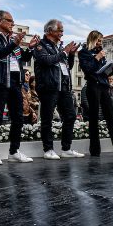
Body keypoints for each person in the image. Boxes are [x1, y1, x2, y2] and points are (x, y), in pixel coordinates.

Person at [0, 10, 39, 165]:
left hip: (14, 83)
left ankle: (14, 151)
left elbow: (22, 59)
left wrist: (30, 49)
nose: (13, 24)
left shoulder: (14, 40)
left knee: (18, 117)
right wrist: (13, 44)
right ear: (0, 21)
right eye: (10, 21)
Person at [31, 19, 83, 160]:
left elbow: (68, 67)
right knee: (47, 119)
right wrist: (64, 53)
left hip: (63, 87)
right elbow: (46, 61)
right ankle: (48, 149)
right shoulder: (40, 46)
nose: (62, 33)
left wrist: (70, 54)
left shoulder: (59, 48)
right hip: (48, 87)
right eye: (60, 30)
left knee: (71, 116)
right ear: (50, 31)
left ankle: (66, 149)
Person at [77, 30, 113, 157]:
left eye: (102, 41)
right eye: (99, 40)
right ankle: (95, 150)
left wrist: (111, 70)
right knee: (94, 118)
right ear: (92, 39)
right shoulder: (83, 53)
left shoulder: (100, 52)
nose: (100, 43)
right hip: (92, 86)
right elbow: (88, 69)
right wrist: (97, 58)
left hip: (103, 86)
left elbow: (102, 73)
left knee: (111, 117)